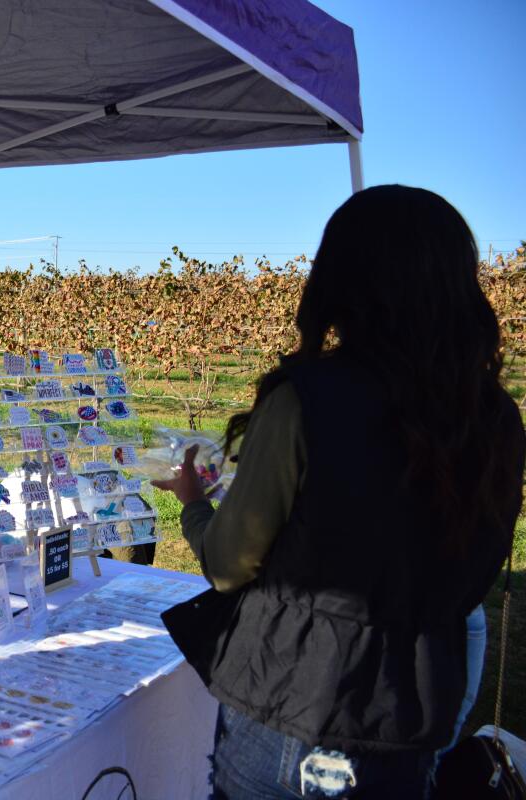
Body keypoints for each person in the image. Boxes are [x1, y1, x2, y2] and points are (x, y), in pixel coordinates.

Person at [153, 185, 523, 798]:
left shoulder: (307, 399)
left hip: (291, 699)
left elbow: (228, 564)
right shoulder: (496, 418)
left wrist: (195, 503)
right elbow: (473, 569)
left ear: (339, 281)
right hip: (413, 706)